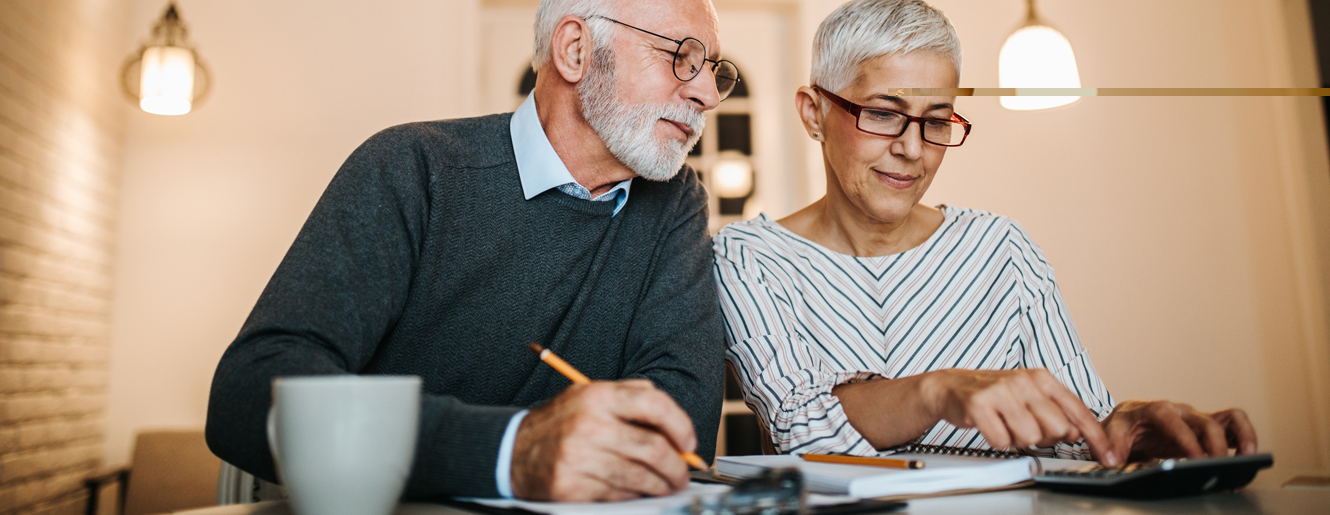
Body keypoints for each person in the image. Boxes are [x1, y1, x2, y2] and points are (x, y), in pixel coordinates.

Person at [207, 0, 739, 502]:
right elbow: (248, 397)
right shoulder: (412, 169)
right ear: (576, 50)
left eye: (712, 68)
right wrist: (511, 451)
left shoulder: (675, 202)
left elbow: (678, 434)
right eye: (682, 58)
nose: (709, 96)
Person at [713, 0, 1257, 467]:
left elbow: (1080, 435)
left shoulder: (1003, 249)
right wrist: (938, 390)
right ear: (813, 113)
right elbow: (802, 429)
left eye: (937, 119)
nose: (912, 147)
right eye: (883, 113)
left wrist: (1131, 427)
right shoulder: (749, 258)